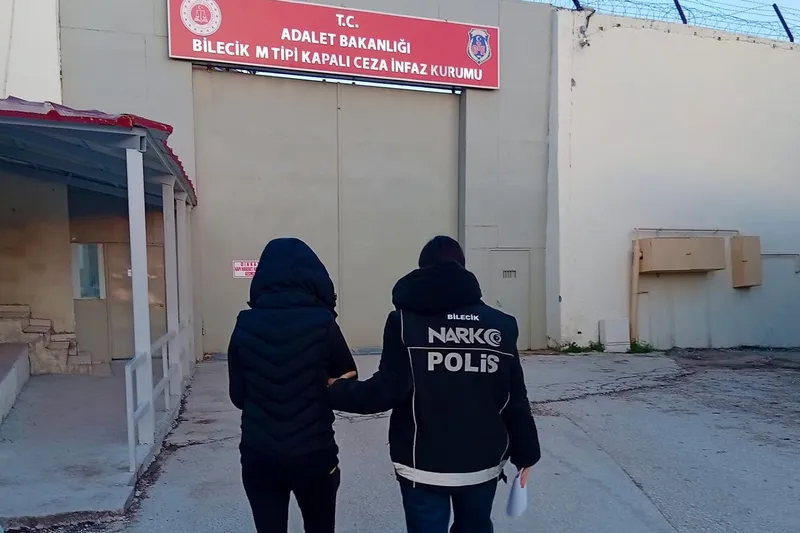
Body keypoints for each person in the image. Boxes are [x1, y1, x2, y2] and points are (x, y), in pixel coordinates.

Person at [328, 236, 541, 533]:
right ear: (463, 268)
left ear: (422, 270)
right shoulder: (501, 325)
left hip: (422, 466)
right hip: (481, 465)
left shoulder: (404, 323)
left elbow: (385, 392)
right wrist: (526, 452)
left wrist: (333, 389)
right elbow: (514, 398)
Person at [227, 237, 357, 533]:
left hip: (260, 456)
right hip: (315, 455)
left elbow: (238, 396)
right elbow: (348, 379)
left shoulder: (245, 323)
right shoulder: (323, 323)